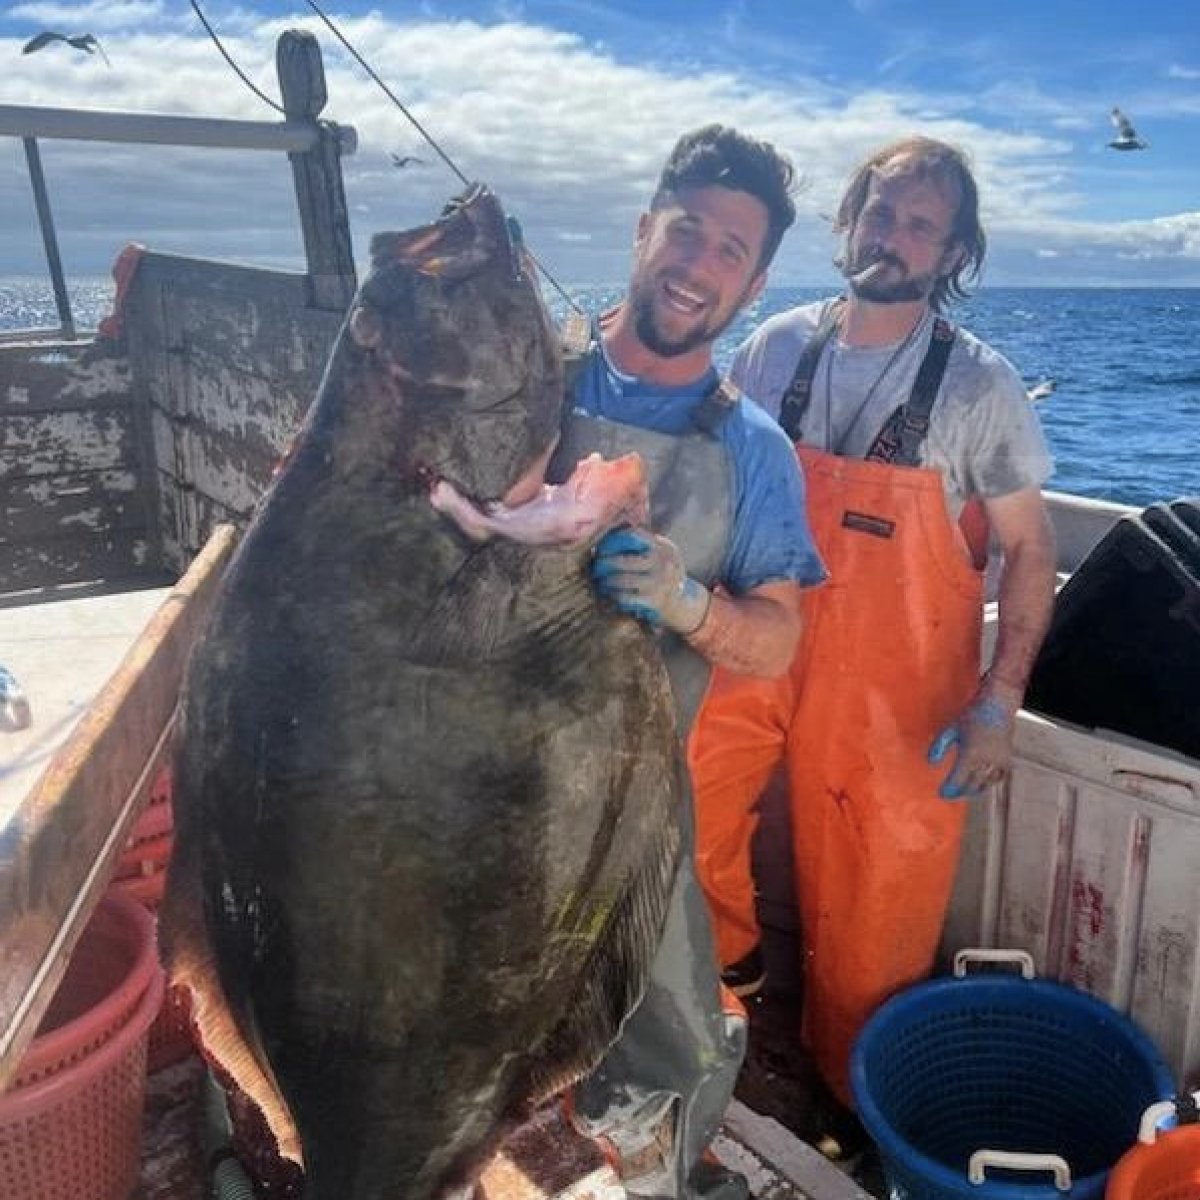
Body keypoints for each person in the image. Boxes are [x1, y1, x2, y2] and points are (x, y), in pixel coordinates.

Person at [689, 135, 1058, 1146]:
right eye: (881, 212)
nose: (893, 237)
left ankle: (849, 1108)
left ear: (952, 256)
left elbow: (1029, 552)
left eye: (921, 225)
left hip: (898, 697)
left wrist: (998, 701)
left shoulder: (983, 387)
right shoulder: (773, 347)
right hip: (762, 648)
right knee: (690, 808)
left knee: (879, 902)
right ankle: (714, 1024)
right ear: (850, 220)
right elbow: (705, 468)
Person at [554, 125, 827, 1199]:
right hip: (466, 779)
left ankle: (657, 1177)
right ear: (642, 231)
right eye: (688, 230)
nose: (698, 264)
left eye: (730, 251)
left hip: (630, 806)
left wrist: (687, 601)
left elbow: (777, 639)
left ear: (753, 285)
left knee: (665, 1025)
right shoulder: (526, 383)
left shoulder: (754, 446)